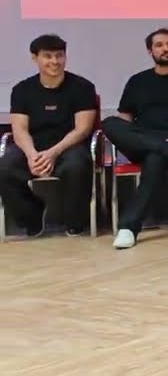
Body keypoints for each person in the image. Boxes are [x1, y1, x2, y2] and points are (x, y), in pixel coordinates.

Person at [101, 28, 168, 249]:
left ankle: (128, 228)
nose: (166, 49)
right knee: (109, 123)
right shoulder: (137, 81)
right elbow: (125, 121)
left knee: (154, 159)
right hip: (144, 142)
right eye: (159, 45)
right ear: (150, 51)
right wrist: (131, 138)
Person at [0, 34, 97, 237]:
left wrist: (53, 153)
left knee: (77, 166)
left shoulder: (82, 87)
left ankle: (75, 220)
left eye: (59, 55)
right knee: (5, 168)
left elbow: (82, 129)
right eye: (48, 56)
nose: (55, 61)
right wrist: (31, 155)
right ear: (35, 58)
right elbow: (20, 129)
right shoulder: (22, 90)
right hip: (33, 146)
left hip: (69, 145)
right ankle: (31, 215)